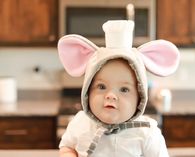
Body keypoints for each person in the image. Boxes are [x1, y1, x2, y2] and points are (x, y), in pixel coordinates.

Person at [58, 20, 180, 157]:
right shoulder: (80, 123)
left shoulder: (147, 133)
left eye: (124, 89)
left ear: (140, 98)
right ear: (88, 91)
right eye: (101, 86)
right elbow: (67, 147)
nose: (110, 95)